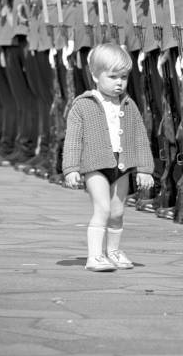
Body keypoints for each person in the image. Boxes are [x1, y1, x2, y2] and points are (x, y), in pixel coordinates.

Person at [62, 43, 154, 271]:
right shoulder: (83, 105)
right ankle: (94, 256)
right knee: (102, 209)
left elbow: (140, 137)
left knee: (117, 211)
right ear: (95, 75)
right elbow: (73, 139)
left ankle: (112, 250)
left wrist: (145, 169)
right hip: (95, 165)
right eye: (112, 76)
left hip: (121, 166)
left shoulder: (129, 105)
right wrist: (71, 168)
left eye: (123, 77)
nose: (119, 82)